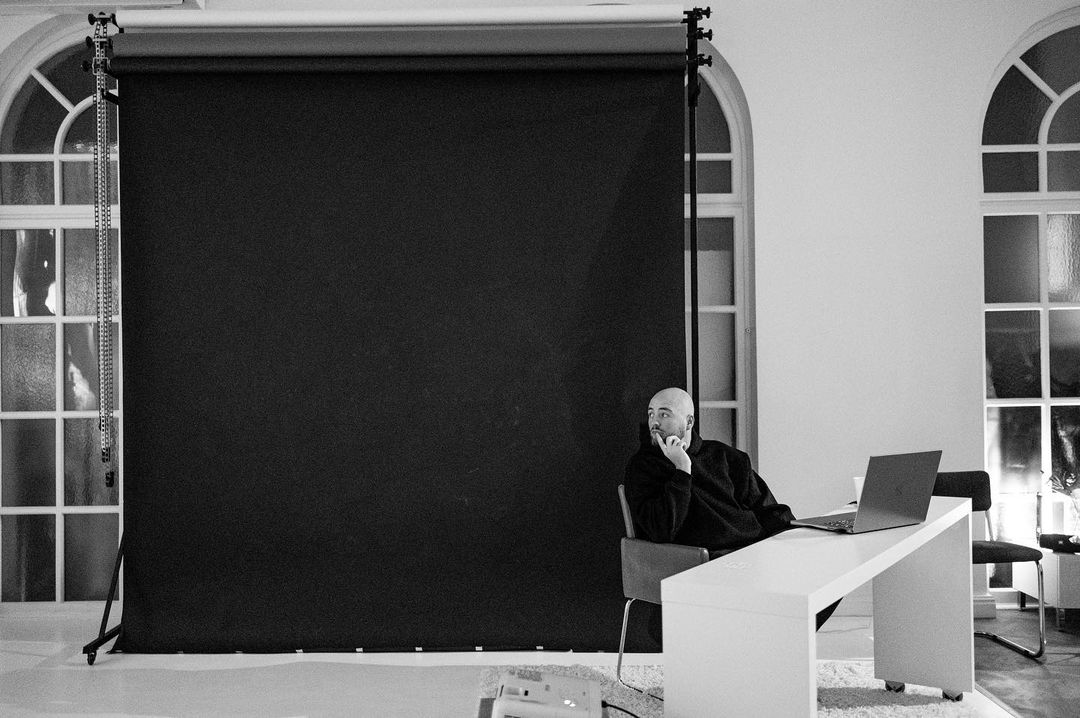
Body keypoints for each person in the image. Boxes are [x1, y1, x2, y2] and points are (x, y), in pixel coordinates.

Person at [624, 387, 839, 643]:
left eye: (664, 414)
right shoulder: (643, 468)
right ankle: (769, 643)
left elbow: (769, 511)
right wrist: (682, 470)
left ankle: (775, 642)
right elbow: (660, 529)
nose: (654, 422)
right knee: (762, 591)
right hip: (704, 565)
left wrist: (800, 542)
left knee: (830, 574)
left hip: (753, 556)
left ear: (689, 422)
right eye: (651, 414)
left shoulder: (727, 457)